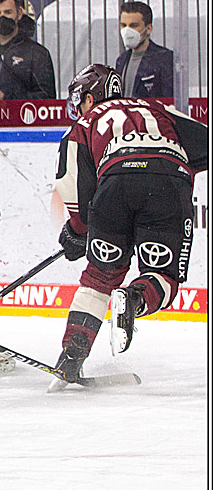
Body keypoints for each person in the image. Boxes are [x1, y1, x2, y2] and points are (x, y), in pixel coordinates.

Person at [51, 64, 207, 385]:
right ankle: (133, 299)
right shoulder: (158, 109)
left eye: (79, 100)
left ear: (90, 98)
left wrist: (78, 232)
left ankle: (70, 359)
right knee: (162, 275)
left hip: (115, 182)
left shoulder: (86, 121)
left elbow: (72, 182)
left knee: (99, 278)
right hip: (168, 181)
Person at [115, 1, 174, 99]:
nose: (127, 31)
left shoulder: (164, 58)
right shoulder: (121, 60)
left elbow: (169, 100)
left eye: (134, 25)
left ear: (149, 28)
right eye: (123, 25)